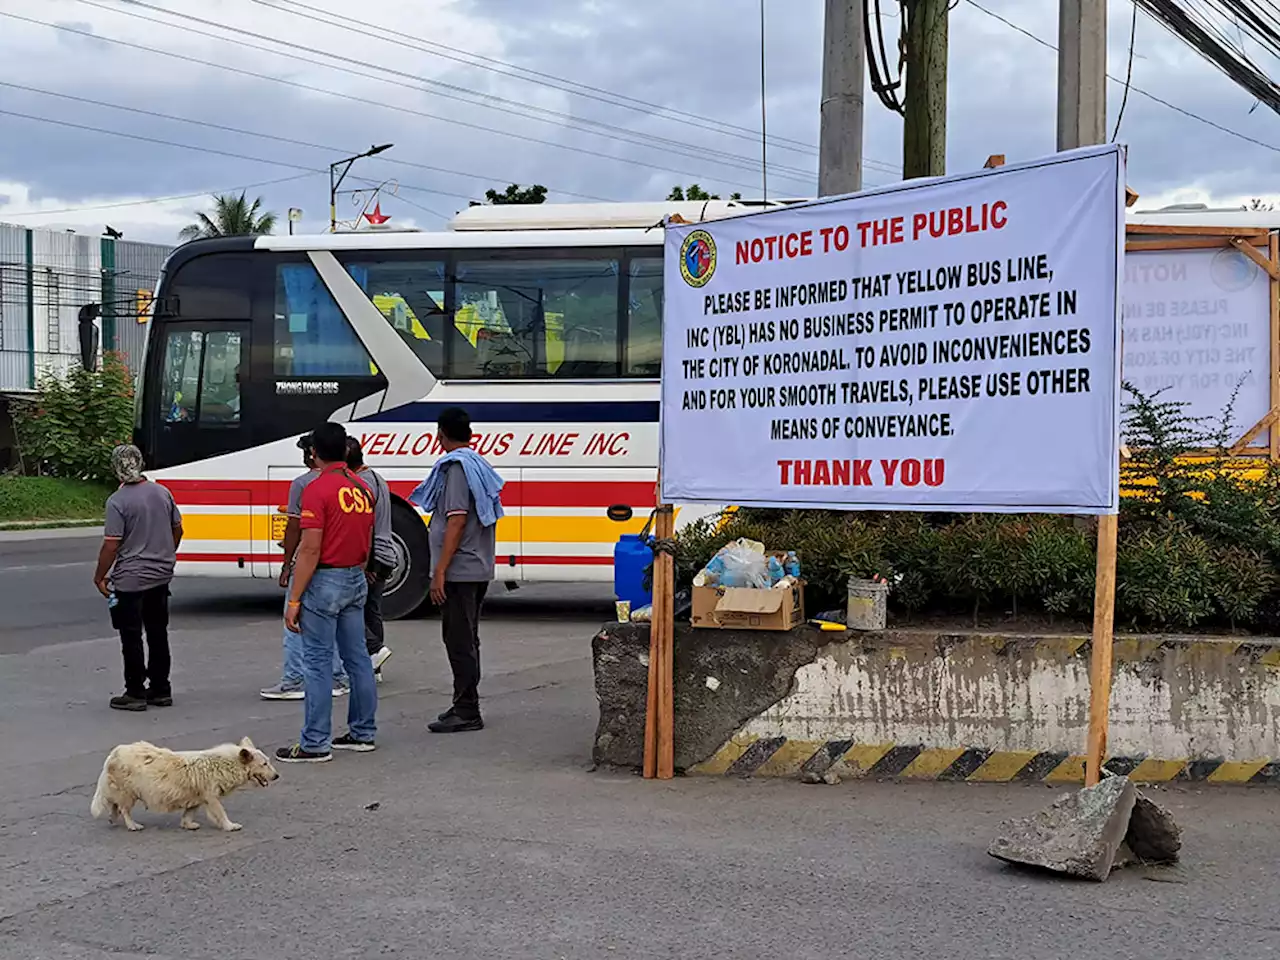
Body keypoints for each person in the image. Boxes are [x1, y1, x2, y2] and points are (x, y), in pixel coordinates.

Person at [276, 422, 379, 763]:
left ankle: (315, 742)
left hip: (325, 581)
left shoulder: (316, 490)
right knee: (358, 659)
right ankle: (363, 733)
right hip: (355, 577)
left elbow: (310, 549)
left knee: (318, 663)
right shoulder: (361, 487)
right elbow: (367, 540)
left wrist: (294, 599)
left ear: (314, 453)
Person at [409, 407, 503, 734]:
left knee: (459, 639)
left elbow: (457, 519)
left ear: (441, 435)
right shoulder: (476, 464)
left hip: (460, 571)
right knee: (466, 637)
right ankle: (465, 703)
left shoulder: (456, 469)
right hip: (475, 568)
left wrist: (440, 571)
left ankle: (467, 709)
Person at [93, 444, 184, 712]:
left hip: (130, 579)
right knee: (158, 633)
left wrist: (100, 576)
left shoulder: (117, 501)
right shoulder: (162, 492)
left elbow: (112, 544)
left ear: (115, 468)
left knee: (131, 636)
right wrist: (165, 554)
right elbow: (178, 530)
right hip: (161, 575)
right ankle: (160, 689)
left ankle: (135, 692)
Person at [260, 433, 349, 701]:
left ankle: (295, 679)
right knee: (333, 625)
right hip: (342, 566)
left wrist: (288, 564)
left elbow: (295, 527)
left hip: (310, 564)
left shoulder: (303, 484)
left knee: (295, 625)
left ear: (313, 453)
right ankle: (338, 677)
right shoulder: (351, 481)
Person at [346, 437, 394, 681]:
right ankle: (374, 667)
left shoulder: (359, 484)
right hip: (386, 553)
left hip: (372, 556)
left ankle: (374, 650)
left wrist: (366, 562)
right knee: (372, 610)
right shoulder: (376, 478)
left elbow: (366, 526)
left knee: (350, 609)